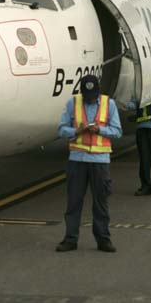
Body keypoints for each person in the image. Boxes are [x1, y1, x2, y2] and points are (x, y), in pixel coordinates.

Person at [56, 74, 122, 253]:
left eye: (92, 97)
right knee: (73, 202)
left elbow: (117, 131)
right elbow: (61, 129)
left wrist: (99, 130)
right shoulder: (73, 103)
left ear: (98, 92)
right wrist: (76, 131)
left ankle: (103, 239)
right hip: (77, 160)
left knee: (101, 202)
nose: (89, 99)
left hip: (100, 161)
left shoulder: (109, 104)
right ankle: (70, 239)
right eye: (87, 96)